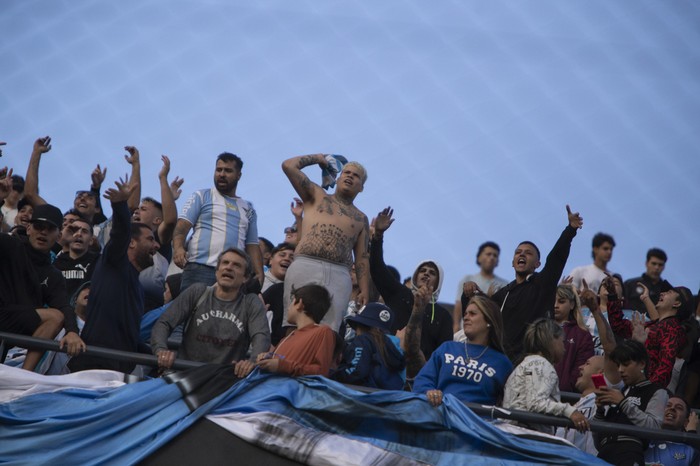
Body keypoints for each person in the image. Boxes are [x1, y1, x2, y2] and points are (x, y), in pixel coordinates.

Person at [463, 205, 583, 361]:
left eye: (528, 253)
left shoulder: (543, 283)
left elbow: (556, 258)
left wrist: (570, 230)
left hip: (531, 362)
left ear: (537, 264)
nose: (522, 255)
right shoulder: (504, 293)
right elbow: (481, 311)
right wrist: (469, 292)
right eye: (518, 252)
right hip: (501, 361)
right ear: (513, 262)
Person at [68, 176, 159, 373]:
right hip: (93, 366)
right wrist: (119, 206)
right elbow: (120, 233)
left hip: (118, 373)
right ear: (132, 243)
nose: (156, 245)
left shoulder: (138, 287)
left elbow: (127, 337)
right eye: (151, 239)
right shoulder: (114, 262)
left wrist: (155, 357)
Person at [280, 154, 370, 332]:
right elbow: (288, 165)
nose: (350, 176)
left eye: (356, 175)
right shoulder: (316, 195)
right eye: (346, 172)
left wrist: (364, 290)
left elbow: (362, 257)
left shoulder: (361, 219)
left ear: (361, 188)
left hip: (339, 273)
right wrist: (318, 158)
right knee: (294, 322)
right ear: (337, 179)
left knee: (329, 330)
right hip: (306, 264)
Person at [151, 248, 270, 377]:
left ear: (246, 277)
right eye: (225, 263)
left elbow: (261, 336)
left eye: (236, 265)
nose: (229, 268)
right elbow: (164, 322)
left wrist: (251, 362)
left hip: (221, 382)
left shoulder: (250, 303)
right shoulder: (197, 292)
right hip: (184, 375)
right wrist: (161, 350)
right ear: (217, 271)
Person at [0, 195, 85, 371]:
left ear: (59, 235)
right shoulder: (11, 246)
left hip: (14, 327)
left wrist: (72, 332)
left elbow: (63, 306)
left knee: (57, 316)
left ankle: (23, 375)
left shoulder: (53, 275)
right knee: (53, 316)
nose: (43, 232)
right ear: (29, 228)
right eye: (38, 226)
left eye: (50, 228)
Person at [370, 207, 453, 359]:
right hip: (388, 361)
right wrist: (378, 236)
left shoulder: (443, 315)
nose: (426, 273)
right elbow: (377, 268)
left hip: (420, 374)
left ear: (439, 282)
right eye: (423, 270)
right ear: (415, 276)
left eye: (432, 273)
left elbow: (444, 354)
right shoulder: (399, 293)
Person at [173, 152, 263, 291]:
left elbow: (252, 244)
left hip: (233, 274)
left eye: (227, 170)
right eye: (218, 169)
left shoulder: (248, 209)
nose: (221, 174)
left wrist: (259, 274)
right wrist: (178, 248)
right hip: (199, 268)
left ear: (239, 175)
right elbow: (182, 227)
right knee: (193, 312)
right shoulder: (202, 196)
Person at [413, 296, 512, 406]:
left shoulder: (502, 362)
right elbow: (423, 379)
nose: (466, 318)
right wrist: (429, 391)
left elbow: (509, 402)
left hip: (475, 420)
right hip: (440, 414)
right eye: (465, 314)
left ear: (489, 321)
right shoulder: (447, 348)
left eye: (472, 314)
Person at [502, 318, 590, 435]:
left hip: (513, 432)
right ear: (552, 340)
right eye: (562, 342)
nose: (564, 348)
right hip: (527, 437)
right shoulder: (542, 364)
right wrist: (570, 411)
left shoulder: (526, 364)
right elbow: (536, 403)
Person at [593, 339, 668, 466]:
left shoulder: (657, 391)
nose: (621, 370)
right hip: (603, 454)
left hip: (629, 453)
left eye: (626, 364)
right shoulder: (620, 391)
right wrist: (600, 411)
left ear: (642, 364)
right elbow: (597, 441)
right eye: (618, 365)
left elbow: (654, 428)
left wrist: (623, 403)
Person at [608, 283, 692, 388]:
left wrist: (649, 389)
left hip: (646, 391)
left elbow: (665, 366)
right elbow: (618, 326)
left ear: (677, 303)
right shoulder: (650, 325)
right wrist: (612, 296)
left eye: (669, 292)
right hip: (634, 386)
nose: (662, 293)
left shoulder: (672, 329)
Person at [256, 284, 336, 377]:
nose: (288, 308)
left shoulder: (323, 331)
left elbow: (321, 372)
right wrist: (267, 357)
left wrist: (282, 366)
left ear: (299, 304)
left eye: (292, 302)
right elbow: (279, 362)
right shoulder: (288, 337)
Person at [333, 302, 406, 390]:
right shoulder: (397, 348)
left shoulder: (364, 340)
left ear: (363, 326)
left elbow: (355, 371)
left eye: (357, 326)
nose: (356, 331)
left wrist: (330, 375)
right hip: (390, 400)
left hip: (363, 398)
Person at [555, 355, 606, 455]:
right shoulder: (575, 405)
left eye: (587, 364)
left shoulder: (604, 402)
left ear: (601, 373)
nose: (580, 367)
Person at [452, 241, 508, 332]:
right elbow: (459, 304)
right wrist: (456, 326)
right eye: (488, 254)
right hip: (465, 330)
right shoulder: (468, 279)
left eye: (495, 255)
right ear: (479, 258)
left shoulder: (505, 285)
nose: (492, 257)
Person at [552, 284, 594, 392]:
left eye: (561, 301)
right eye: (553, 301)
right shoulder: (538, 328)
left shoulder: (582, 335)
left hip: (565, 397)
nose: (555, 305)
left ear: (571, 305)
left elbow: (581, 369)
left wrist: (566, 387)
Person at [644, 396, 699, 466]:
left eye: (679, 407)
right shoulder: (642, 440)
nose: (672, 408)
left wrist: (692, 432)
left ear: (686, 422)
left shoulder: (691, 451)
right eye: (667, 405)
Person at [53, 216, 98, 298]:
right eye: (75, 230)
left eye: (84, 231)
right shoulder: (55, 262)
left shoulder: (99, 262)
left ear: (91, 240)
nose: (79, 234)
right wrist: (62, 240)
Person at [624, 248, 673, 313]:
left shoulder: (668, 291)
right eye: (654, 263)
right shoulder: (630, 284)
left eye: (660, 265)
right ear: (646, 263)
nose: (657, 268)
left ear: (664, 267)